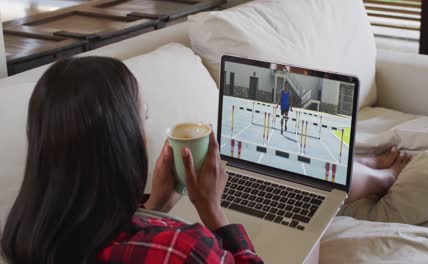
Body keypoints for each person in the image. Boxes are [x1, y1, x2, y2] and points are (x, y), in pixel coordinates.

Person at [0, 57, 263, 264]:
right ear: (122, 140)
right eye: (143, 118)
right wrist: (212, 210)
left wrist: (154, 206)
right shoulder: (184, 250)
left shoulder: (24, 236)